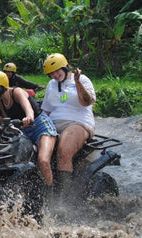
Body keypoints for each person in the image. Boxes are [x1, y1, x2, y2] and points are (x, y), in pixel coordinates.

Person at [0, 70, 58, 187]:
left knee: (43, 161)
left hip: (40, 126)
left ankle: (49, 194)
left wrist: (29, 116)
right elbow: (8, 121)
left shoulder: (17, 92)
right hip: (22, 132)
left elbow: (28, 107)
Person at [41, 53, 96, 193]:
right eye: (50, 73)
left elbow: (86, 102)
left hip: (77, 122)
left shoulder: (83, 79)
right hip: (52, 124)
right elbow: (46, 110)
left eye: (56, 70)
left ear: (65, 67)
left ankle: (64, 197)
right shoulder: (51, 85)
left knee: (63, 151)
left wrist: (77, 82)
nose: (54, 75)